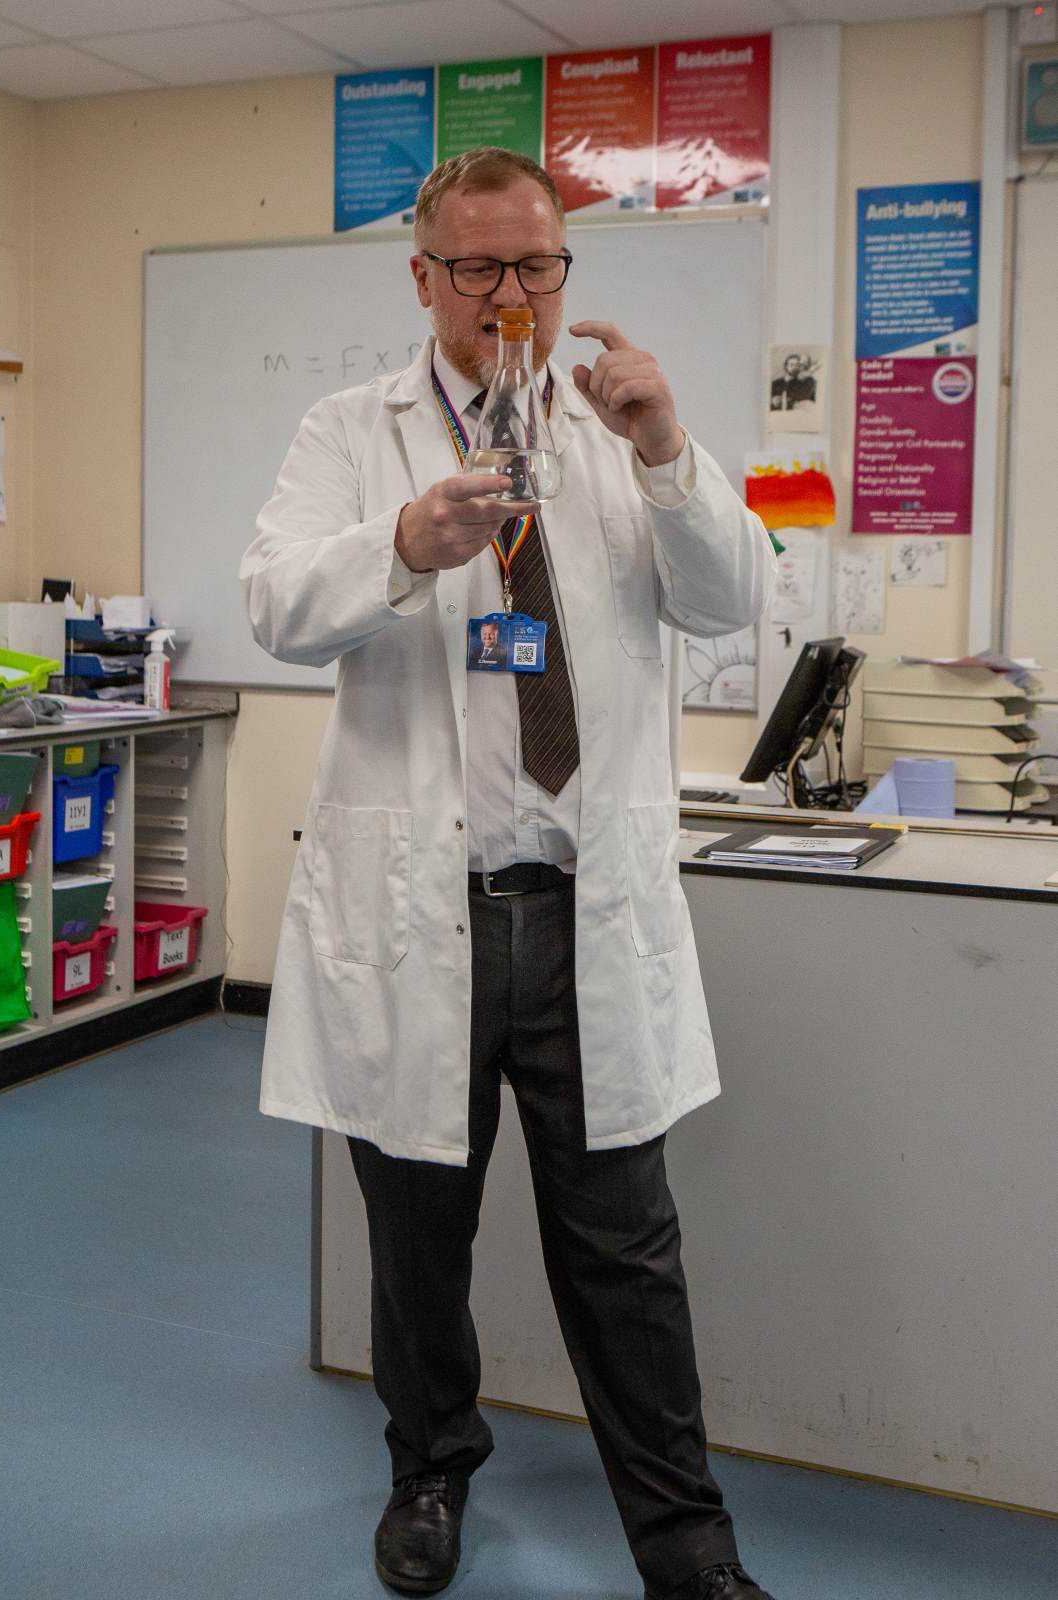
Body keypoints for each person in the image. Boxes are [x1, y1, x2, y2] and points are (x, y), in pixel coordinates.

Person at [241, 146, 777, 1600]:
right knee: (418, 1240)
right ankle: (429, 1472)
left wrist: (665, 451)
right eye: (476, 268)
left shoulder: (613, 426)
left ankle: (685, 1543)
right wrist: (403, 542)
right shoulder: (350, 433)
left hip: (581, 912)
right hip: (425, 916)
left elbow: (735, 598)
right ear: (423, 278)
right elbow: (275, 603)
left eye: (535, 265)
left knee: (626, 1253)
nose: (509, 296)